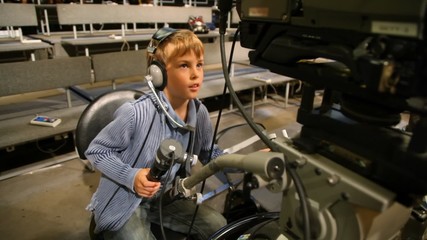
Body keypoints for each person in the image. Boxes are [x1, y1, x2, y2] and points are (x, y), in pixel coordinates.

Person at [85, 27, 227, 240]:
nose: (196, 74)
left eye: (199, 65)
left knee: (219, 225)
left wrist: (245, 162)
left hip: (166, 198)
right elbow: (97, 151)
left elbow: (209, 154)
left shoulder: (199, 112)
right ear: (157, 73)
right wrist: (131, 177)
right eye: (184, 65)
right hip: (126, 196)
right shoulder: (135, 113)